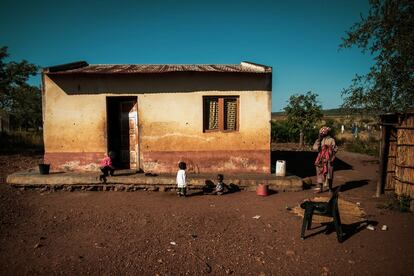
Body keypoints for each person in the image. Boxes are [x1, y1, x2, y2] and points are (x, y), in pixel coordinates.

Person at [312, 127, 337, 193]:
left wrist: (332, 157)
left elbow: (335, 149)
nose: (321, 134)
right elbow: (315, 148)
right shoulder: (319, 140)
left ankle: (330, 188)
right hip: (320, 160)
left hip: (329, 159)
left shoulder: (331, 140)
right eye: (320, 134)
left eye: (322, 133)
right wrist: (319, 140)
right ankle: (320, 188)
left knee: (329, 174)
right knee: (319, 173)